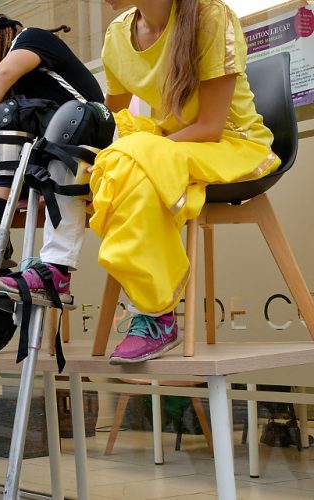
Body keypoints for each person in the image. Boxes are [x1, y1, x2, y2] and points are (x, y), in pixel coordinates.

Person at [95, 0, 278, 363]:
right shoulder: (117, 35)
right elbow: (111, 120)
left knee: (134, 161)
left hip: (233, 143)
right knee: (109, 157)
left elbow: (210, 127)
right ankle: (56, 266)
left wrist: (139, 150)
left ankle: (156, 312)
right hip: (174, 144)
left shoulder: (210, 16)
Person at [0, 12, 108, 352]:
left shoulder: (33, 39)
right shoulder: (14, 92)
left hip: (91, 144)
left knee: (4, 111)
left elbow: (0, 76)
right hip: (45, 163)